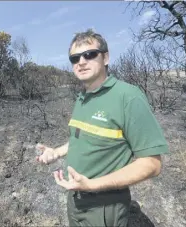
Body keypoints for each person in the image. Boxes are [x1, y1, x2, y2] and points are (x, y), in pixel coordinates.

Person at [35, 29, 169, 227]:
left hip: (104, 208)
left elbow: (152, 164)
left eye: (89, 54)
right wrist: (56, 152)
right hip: (75, 199)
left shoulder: (127, 97)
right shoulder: (83, 98)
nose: (81, 61)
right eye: (75, 58)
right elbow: (81, 139)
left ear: (105, 57)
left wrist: (91, 185)